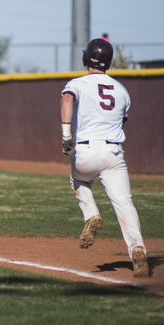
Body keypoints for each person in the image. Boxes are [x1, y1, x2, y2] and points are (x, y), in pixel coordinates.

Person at [60, 37, 149, 278]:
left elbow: (66, 99)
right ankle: (137, 248)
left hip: (85, 151)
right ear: (108, 62)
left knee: (78, 181)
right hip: (113, 152)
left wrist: (66, 136)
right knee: (124, 203)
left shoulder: (78, 83)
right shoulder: (122, 90)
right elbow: (122, 121)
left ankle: (91, 214)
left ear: (85, 58)